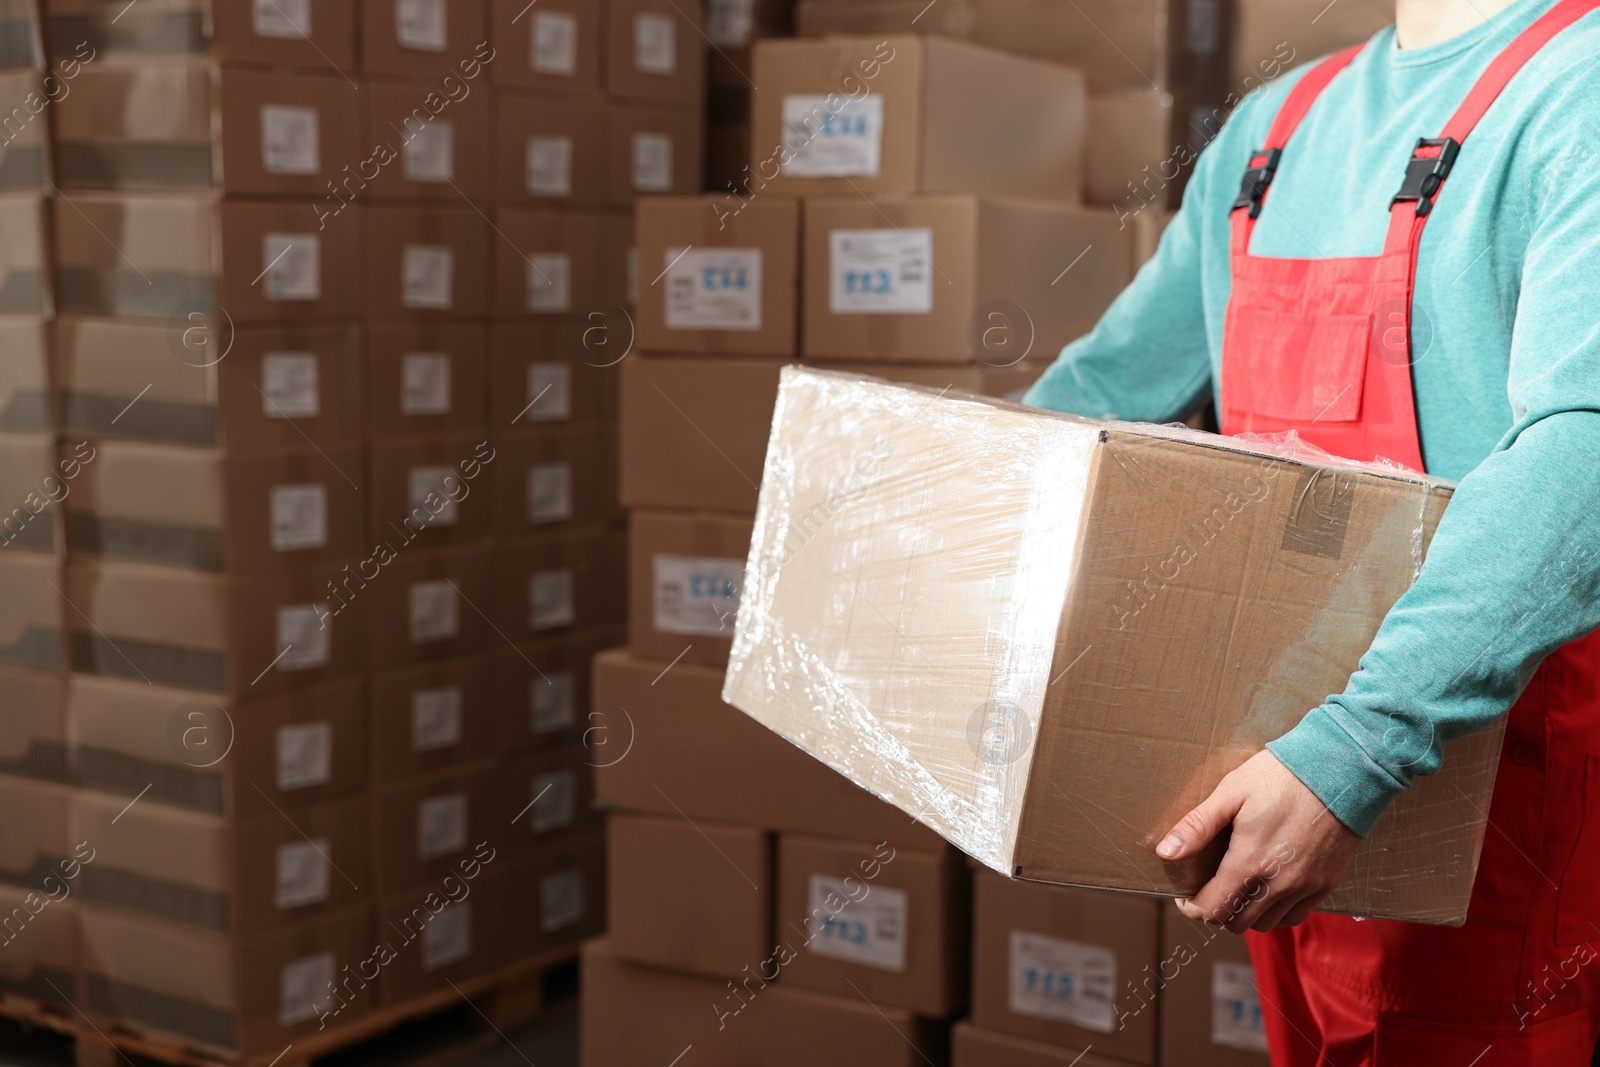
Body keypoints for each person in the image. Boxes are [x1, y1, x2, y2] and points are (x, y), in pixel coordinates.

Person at [1022, 0, 1600, 1062]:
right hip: (1270, 782)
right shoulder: (1272, 127)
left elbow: (1585, 452)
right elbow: (1100, 394)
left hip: (1477, 794)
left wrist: (1357, 747)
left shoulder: (1578, 85)